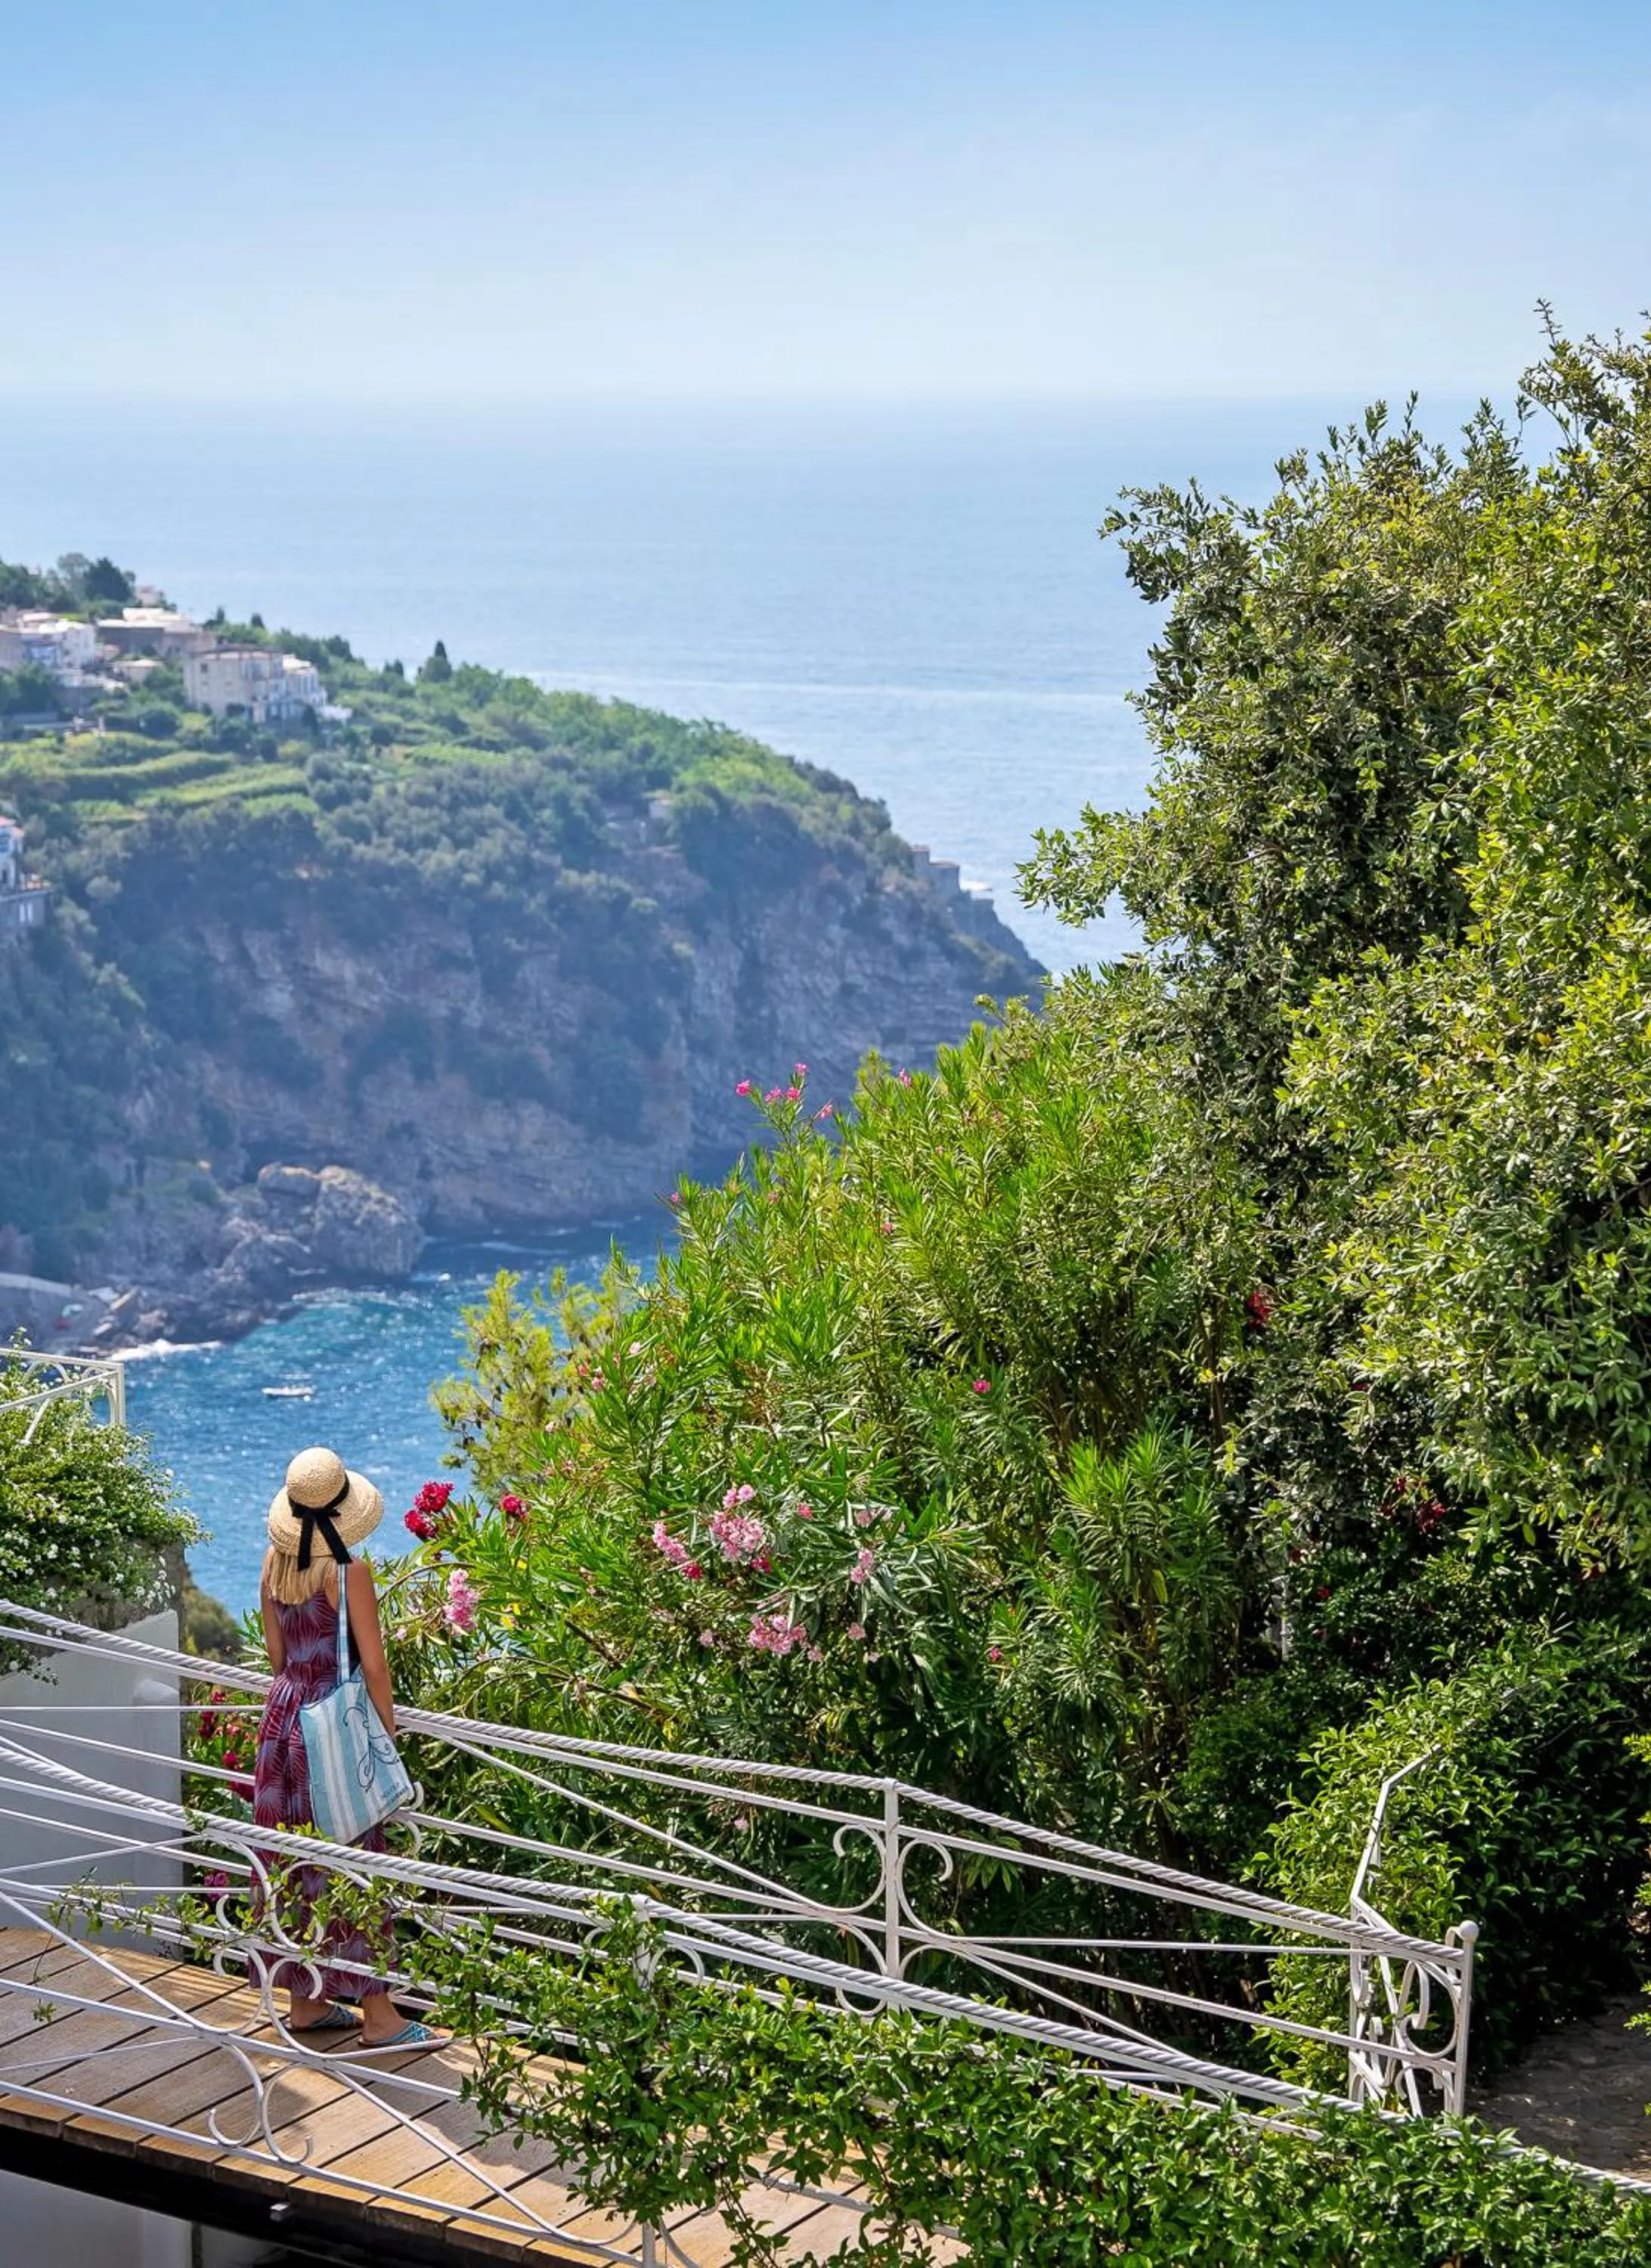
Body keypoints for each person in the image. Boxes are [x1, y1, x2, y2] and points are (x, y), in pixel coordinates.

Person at [252, 1445, 441, 2050]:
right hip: (332, 1727)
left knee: (291, 1860)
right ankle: (380, 2020)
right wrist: (386, 1738)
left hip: (282, 1723)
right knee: (356, 1865)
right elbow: (375, 1666)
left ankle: (304, 2005)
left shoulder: (272, 1567)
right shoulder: (348, 1572)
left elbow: (280, 1660)